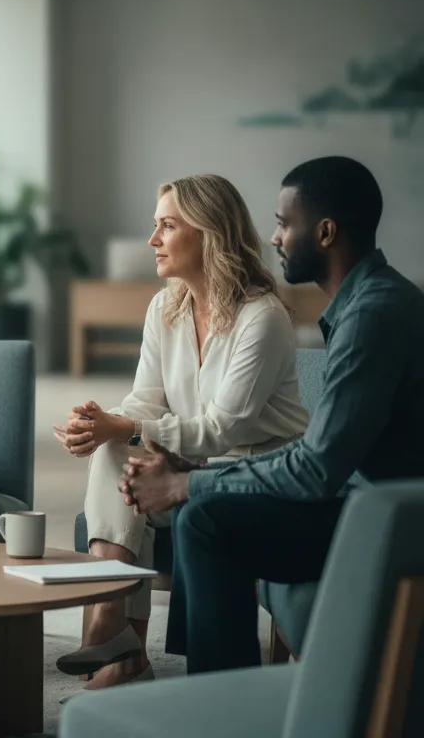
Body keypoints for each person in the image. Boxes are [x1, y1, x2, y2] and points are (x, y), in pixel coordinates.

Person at [122, 156, 424, 674]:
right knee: (205, 511)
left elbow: (315, 468)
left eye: (286, 224)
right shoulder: (368, 304)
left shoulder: (372, 316)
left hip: (383, 517)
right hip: (364, 502)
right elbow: (321, 456)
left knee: (205, 517)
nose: (276, 238)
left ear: (325, 233)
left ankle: (224, 705)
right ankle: (216, 689)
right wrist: (203, 476)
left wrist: (186, 486)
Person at [53, 174, 308, 690]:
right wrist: (102, 423)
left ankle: (119, 644)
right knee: (110, 452)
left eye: (167, 226)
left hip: (250, 474)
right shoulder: (164, 308)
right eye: (155, 226)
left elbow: (221, 429)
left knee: (124, 442)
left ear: (210, 233)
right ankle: (116, 632)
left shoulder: (263, 316)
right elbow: (144, 403)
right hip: (182, 467)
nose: (153, 240)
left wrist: (125, 425)